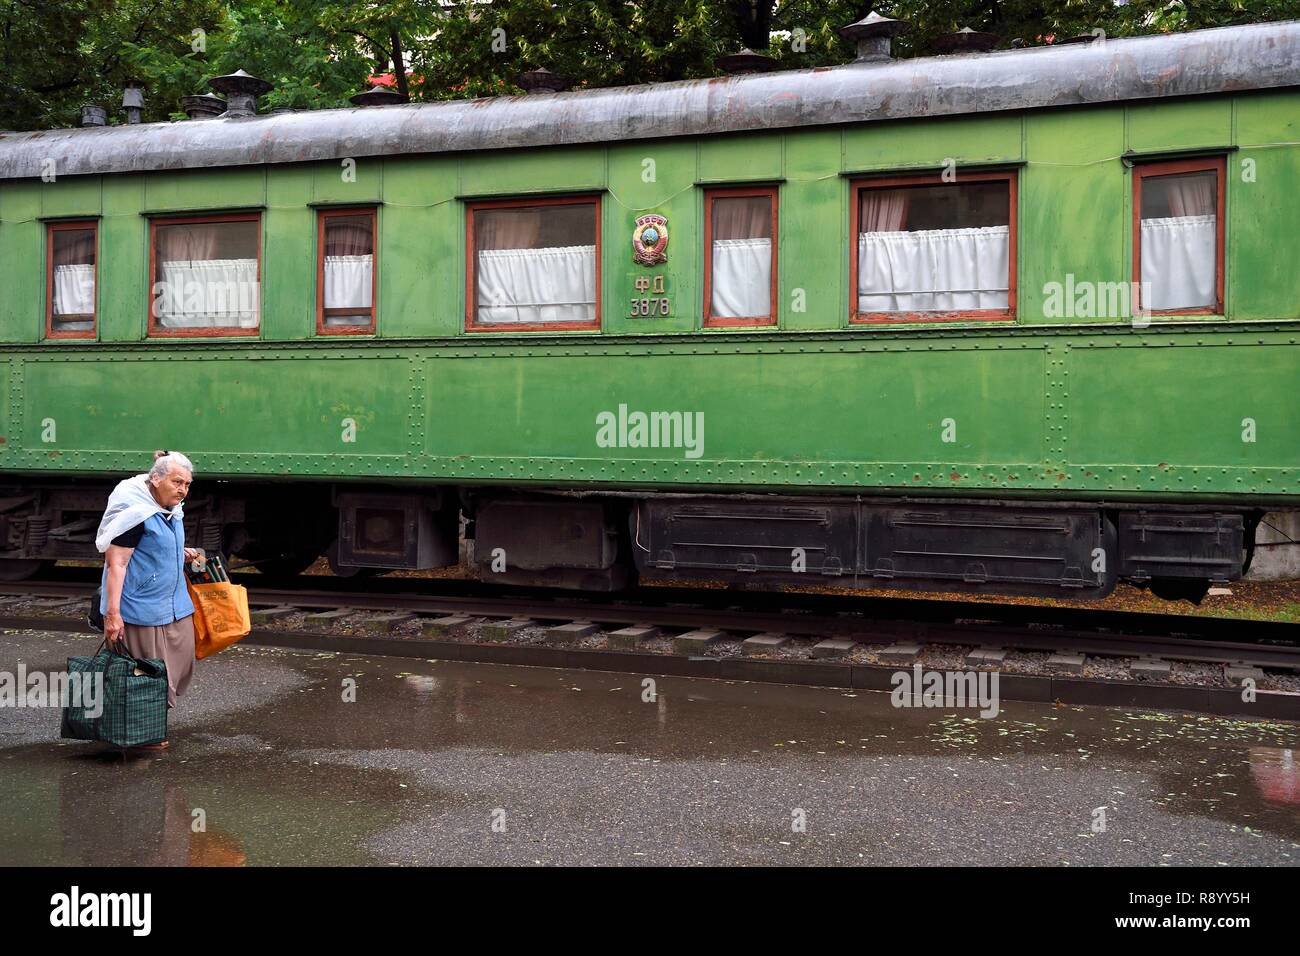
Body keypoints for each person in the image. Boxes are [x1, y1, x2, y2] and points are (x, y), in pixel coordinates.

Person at [94, 451, 201, 750]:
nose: (182, 489)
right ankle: (145, 732)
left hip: (174, 606)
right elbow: (117, 565)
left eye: (187, 484)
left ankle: (149, 722)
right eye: (177, 481)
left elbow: (154, 547)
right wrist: (113, 614)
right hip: (141, 608)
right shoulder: (135, 513)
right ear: (155, 479)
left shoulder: (170, 509)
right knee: (146, 674)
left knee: (176, 665)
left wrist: (180, 551)